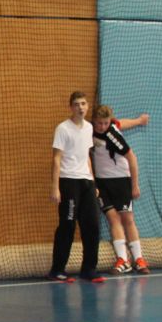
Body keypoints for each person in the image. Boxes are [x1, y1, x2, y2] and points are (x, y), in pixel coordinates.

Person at [49, 92, 105, 283]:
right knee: (68, 225)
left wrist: (93, 182)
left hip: (86, 182)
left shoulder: (89, 128)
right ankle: (57, 270)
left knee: (92, 225)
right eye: (76, 104)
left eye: (83, 104)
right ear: (71, 107)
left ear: (87, 106)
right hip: (68, 181)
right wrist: (55, 187)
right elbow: (56, 159)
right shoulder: (63, 129)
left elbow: (87, 156)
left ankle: (89, 269)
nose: (80, 107)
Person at [92, 106, 151, 274]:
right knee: (113, 218)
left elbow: (132, 157)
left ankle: (139, 259)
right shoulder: (91, 130)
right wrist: (138, 121)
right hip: (102, 183)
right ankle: (123, 260)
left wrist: (134, 185)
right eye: (99, 123)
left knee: (127, 219)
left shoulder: (112, 136)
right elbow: (121, 123)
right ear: (94, 121)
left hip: (121, 181)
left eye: (105, 123)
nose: (102, 127)